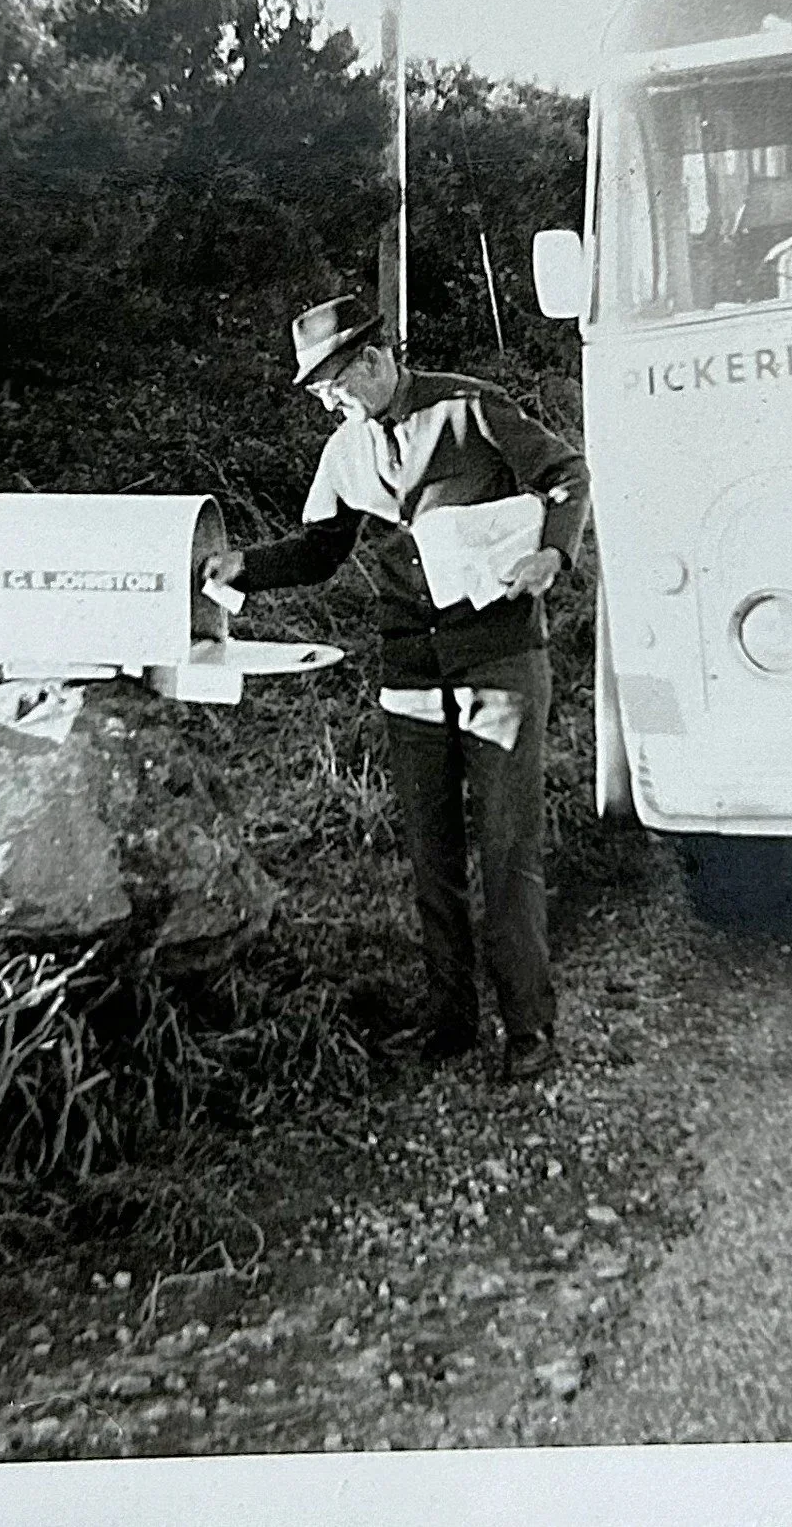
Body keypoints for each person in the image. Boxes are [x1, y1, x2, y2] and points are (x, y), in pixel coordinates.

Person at [205, 294, 591, 1083]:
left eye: (334, 387)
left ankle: (527, 1024)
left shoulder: (469, 408)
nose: (330, 405)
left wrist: (552, 556)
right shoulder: (344, 452)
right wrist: (246, 566)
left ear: (375, 360)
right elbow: (318, 549)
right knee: (429, 852)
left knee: (507, 846)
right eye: (319, 395)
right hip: (409, 669)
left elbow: (565, 474)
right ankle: (449, 1020)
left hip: (498, 660)